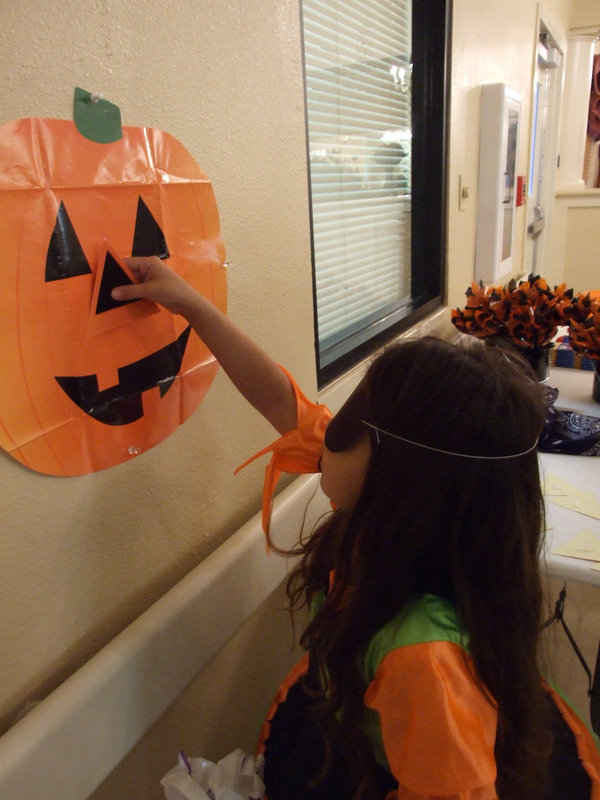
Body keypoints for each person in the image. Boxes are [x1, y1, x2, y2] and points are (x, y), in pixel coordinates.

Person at [113, 257, 600, 800]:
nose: (328, 432)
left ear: (400, 479)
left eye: (350, 422)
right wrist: (194, 307)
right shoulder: (406, 522)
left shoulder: (424, 659)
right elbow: (282, 401)